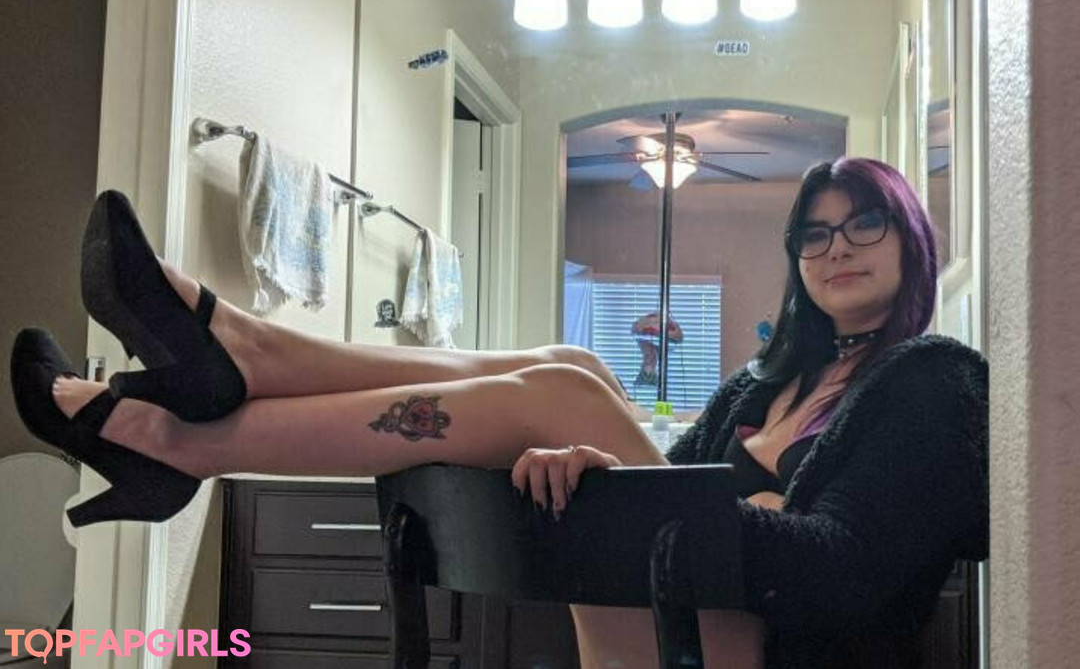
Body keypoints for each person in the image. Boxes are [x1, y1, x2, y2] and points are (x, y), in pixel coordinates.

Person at [11, 158, 988, 669]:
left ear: (912, 237)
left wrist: (693, 505)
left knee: (566, 390)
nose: (836, 246)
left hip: (766, 655)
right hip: (673, 628)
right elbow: (668, 489)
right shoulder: (756, 387)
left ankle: (192, 422)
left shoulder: (934, 379)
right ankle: (223, 384)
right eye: (814, 233)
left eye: (865, 222)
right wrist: (605, 471)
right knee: (572, 367)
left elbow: (845, 572)